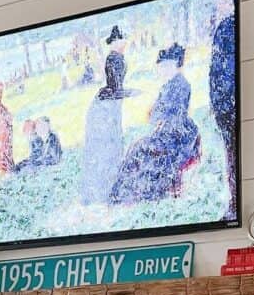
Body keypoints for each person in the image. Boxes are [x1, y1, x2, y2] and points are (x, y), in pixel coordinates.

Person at [109, 42, 201, 204]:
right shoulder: (167, 86)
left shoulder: (181, 84)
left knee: (142, 149)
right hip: (166, 132)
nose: (163, 69)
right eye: (161, 66)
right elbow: (153, 115)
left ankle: (141, 195)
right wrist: (158, 118)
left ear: (175, 65)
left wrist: (161, 119)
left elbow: (172, 115)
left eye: (167, 65)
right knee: (138, 148)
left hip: (179, 136)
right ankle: (123, 196)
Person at [81, 24, 127, 204]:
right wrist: (127, 93)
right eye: (120, 40)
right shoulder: (114, 59)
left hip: (113, 101)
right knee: (109, 142)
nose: (123, 43)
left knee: (114, 139)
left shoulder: (117, 57)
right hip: (109, 103)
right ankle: (105, 188)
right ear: (115, 42)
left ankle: (111, 185)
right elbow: (115, 86)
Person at [209, 0, 237, 222]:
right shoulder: (224, 27)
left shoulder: (228, 28)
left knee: (232, 155)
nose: (220, 6)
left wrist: (224, 103)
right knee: (230, 155)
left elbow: (226, 72)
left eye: (224, 1)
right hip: (223, 105)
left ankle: (233, 205)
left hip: (228, 106)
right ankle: (232, 204)